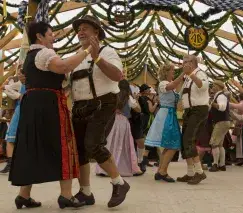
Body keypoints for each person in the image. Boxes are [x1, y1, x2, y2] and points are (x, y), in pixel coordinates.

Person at [9, 21, 91, 209]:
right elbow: (63, 67)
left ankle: (23, 195)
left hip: (32, 104)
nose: (54, 37)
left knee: (31, 145)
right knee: (64, 144)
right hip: (49, 104)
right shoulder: (45, 53)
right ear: (40, 36)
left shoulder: (30, 56)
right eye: (51, 33)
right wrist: (86, 51)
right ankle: (66, 195)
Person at [70, 15, 130, 208]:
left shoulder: (108, 51)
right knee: (79, 151)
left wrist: (97, 57)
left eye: (85, 28)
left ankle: (119, 183)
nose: (80, 31)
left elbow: (117, 76)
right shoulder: (76, 55)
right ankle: (85, 192)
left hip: (103, 103)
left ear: (96, 32)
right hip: (79, 106)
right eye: (79, 29)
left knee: (93, 145)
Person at [145, 61, 184, 182]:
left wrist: (183, 81)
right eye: (172, 70)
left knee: (169, 145)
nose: (173, 72)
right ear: (166, 72)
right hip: (166, 115)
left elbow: (177, 92)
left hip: (170, 114)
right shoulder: (163, 83)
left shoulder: (170, 84)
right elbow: (170, 87)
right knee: (172, 145)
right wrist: (183, 74)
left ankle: (160, 171)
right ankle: (162, 171)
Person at [95, 79, 143, 177]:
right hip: (122, 122)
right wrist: (136, 99)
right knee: (123, 144)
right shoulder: (127, 97)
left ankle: (104, 168)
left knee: (110, 143)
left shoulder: (112, 95)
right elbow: (138, 109)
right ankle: (121, 167)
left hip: (111, 120)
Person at [177, 55, 209, 185]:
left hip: (199, 110)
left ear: (193, 63)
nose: (183, 64)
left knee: (189, 139)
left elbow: (203, 87)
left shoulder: (200, 73)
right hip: (189, 111)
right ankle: (190, 173)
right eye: (183, 62)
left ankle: (200, 172)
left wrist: (191, 74)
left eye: (186, 62)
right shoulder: (187, 77)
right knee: (184, 141)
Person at [0, 74, 25, 174]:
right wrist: (18, 95)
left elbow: (3, 87)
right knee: (12, 136)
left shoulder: (20, 83)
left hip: (22, 109)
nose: (20, 75)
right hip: (26, 109)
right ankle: (12, 163)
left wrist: (8, 81)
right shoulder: (21, 84)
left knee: (11, 136)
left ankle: (12, 163)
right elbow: (3, 88)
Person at [208, 80, 231, 172]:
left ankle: (215, 164)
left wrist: (211, 103)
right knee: (220, 144)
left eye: (214, 85)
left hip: (221, 122)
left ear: (218, 86)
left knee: (214, 143)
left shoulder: (221, 96)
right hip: (224, 121)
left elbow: (222, 107)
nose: (212, 87)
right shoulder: (220, 95)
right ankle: (222, 164)